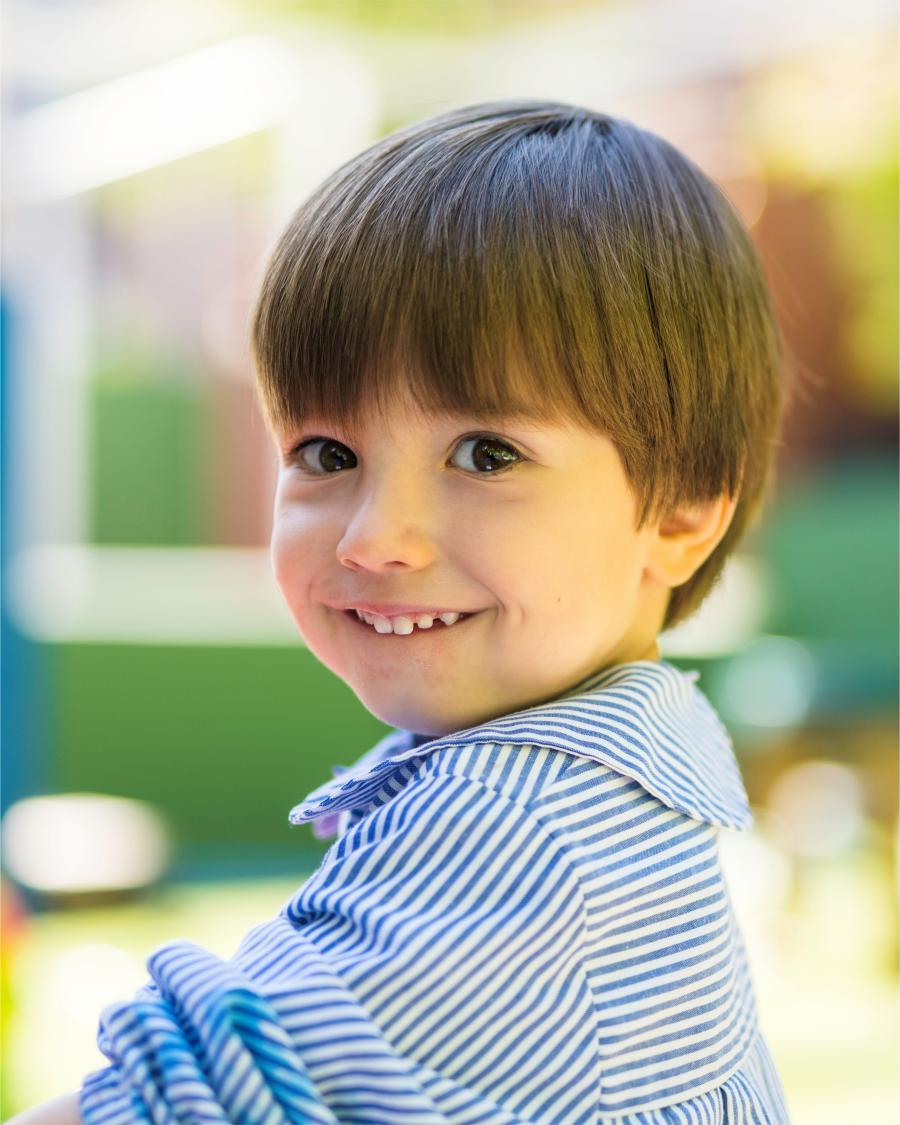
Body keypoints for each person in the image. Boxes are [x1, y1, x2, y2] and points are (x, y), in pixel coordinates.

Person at [15, 99, 795, 1123]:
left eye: (486, 455)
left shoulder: (520, 830)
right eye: (328, 455)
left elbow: (199, 1098)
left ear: (684, 513)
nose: (374, 536)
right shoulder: (635, 763)